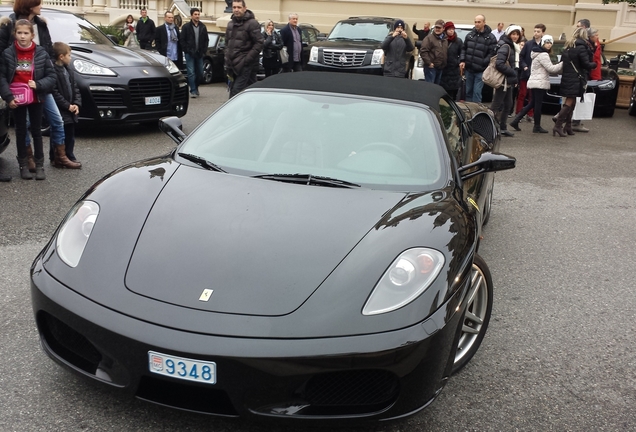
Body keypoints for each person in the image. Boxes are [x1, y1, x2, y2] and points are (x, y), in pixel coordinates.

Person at [0, 0, 75, 170]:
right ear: (29, 5)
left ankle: (59, 157)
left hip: (40, 84)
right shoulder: (9, 24)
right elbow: (3, 55)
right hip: (19, 86)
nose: (41, 6)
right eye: (38, 3)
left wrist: (46, 80)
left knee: (56, 120)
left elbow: (48, 52)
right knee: (24, 124)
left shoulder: (41, 24)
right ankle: (29, 159)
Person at [0, 19, 55, 180]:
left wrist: (38, 84)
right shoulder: (8, 53)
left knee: (37, 132)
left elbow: (51, 76)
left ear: (32, 35)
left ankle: (39, 165)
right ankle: (23, 165)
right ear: (14, 34)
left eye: (26, 33)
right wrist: (8, 97)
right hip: (16, 99)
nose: (22, 36)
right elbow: (2, 77)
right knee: (20, 131)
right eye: (19, 33)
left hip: (36, 97)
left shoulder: (41, 53)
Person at [510, 35, 562, 133]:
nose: (549, 44)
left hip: (535, 81)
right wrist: (563, 63)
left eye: (550, 43)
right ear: (542, 43)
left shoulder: (537, 53)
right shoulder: (543, 55)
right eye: (547, 42)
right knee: (537, 105)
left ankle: (516, 120)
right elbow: (551, 69)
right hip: (539, 82)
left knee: (532, 103)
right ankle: (537, 126)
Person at [553, 28, 596, 137]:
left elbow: (563, 62)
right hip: (576, 78)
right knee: (569, 102)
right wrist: (594, 65)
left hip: (567, 77)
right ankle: (558, 126)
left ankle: (568, 126)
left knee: (572, 103)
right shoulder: (581, 48)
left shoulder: (568, 47)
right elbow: (586, 64)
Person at [51, 42, 82, 168]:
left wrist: (76, 103)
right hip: (61, 109)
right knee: (58, 133)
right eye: (69, 55)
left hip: (71, 107)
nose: (71, 57)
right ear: (61, 57)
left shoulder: (69, 70)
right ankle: (55, 157)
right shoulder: (53, 71)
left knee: (70, 134)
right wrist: (66, 105)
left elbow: (75, 88)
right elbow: (54, 92)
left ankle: (69, 155)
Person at [225, 0, 263, 98]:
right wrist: (227, 59)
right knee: (250, 90)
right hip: (233, 65)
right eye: (234, 7)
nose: (236, 10)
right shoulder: (230, 24)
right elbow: (227, 44)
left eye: (239, 7)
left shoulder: (252, 23)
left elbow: (259, 42)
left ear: (245, 8)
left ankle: (231, 113)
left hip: (245, 64)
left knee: (235, 93)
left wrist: (247, 59)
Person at [490, 25, 521, 137]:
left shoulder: (513, 46)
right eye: (513, 34)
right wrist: (512, 73)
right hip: (503, 80)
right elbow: (499, 64)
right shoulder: (506, 46)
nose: (515, 36)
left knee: (508, 104)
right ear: (509, 34)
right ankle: (490, 127)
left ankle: (502, 127)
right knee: (496, 105)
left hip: (507, 80)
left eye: (517, 34)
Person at [459, 14, 497, 103]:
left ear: (484, 23)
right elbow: (464, 48)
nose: (477, 24)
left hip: (481, 70)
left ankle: (477, 113)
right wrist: (463, 60)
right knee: (468, 92)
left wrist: (484, 62)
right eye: (475, 22)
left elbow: (492, 54)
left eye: (479, 22)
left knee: (477, 92)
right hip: (469, 69)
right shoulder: (470, 35)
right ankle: (468, 111)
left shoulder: (490, 38)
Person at [517, 24, 546, 122]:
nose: (536, 33)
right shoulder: (528, 44)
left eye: (538, 31)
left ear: (543, 33)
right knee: (522, 94)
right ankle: (518, 113)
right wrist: (524, 66)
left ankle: (530, 114)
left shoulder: (544, 44)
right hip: (526, 73)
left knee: (532, 96)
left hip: (537, 75)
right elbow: (521, 57)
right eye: (535, 31)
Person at [181, 8, 209, 98]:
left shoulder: (203, 27)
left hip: (199, 53)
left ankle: (196, 87)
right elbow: (182, 40)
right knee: (191, 72)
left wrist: (204, 50)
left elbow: (206, 40)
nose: (197, 16)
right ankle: (193, 90)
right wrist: (186, 49)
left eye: (198, 14)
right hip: (189, 53)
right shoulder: (186, 27)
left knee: (200, 72)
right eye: (195, 14)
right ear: (191, 15)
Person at [420, 19, 447, 84]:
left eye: (439, 28)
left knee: (436, 89)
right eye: (436, 27)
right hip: (431, 68)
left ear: (443, 28)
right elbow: (423, 51)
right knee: (430, 88)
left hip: (440, 68)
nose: (437, 29)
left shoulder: (445, 39)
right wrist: (429, 63)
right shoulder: (429, 38)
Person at [440, 21, 462, 100]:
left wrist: (458, 61)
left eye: (452, 29)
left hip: (454, 70)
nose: (451, 31)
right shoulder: (442, 40)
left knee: (453, 90)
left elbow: (462, 53)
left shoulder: (458, 41)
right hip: (444, 69)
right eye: (449, 29)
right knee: (444, 91)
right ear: (446, 30)